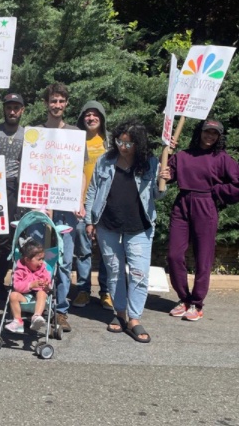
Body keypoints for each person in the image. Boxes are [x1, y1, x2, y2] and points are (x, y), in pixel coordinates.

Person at [160, 120, 239, 322]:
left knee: (203, 258)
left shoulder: (222, 158)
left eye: (214, 134)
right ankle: (184, 299)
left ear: (219, 137)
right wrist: (166, 172)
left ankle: (197, 303)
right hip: (181, 204)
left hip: (205, 206)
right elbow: (169, 172)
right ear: (199, 133)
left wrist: (218, 191)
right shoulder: (184, 155)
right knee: (174, 255)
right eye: (206, 132)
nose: (210, 136)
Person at [85, 120, 161, 343]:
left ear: (139, 144)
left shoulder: (150, 163)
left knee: (139, 273)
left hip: (140, 226)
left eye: (128, 144)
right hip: (107, 224)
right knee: (115, 271)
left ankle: (134, 319)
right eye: (119, 142)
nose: (123, 147)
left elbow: (158, 196)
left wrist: (163, 179)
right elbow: (92, 191)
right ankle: (119, 313)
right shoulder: (105, 161)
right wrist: (90, 221)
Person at [38, 82, 80, 333]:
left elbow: (79, 172)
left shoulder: (75, 134)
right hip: (42, 207)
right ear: (46, 103)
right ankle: (39, 306)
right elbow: (29, 170)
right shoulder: (36, 133)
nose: (57, 105)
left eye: (61, 101)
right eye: (53, 101)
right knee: (40, 259)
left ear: (66, 104)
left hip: (66, 209)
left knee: (64, 261)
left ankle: (61, 311)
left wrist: (79, 200)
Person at [73, 100, 111, 310]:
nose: (91, 118)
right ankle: (83, 290)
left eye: (95, 114)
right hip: (82, 202)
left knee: (107, 249)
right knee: (83, 249)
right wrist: (78, 201)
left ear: (102, 117)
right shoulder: (75, 141)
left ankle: (106, 291)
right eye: (87, 114)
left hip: (106, 204)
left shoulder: (110, 141)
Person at [0, 92, 26, 297]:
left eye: (16, 108)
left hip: (15, 190)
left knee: (9, 237)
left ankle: (1, 279)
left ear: (22, 110)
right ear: (4, 109)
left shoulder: (28, 134)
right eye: (9, 107)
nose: (12, 111)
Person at [5, 240, 51, 334]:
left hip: (38, 300)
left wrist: (46, 286)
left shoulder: (43, 270)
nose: (41, 262)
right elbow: (17, 286)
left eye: (42, 259)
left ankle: (36, 317)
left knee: (42, 293)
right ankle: (18, 321)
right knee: (13, 295)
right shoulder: (20, 270)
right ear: (27, 260)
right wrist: (30, 285)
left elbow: (48, 284)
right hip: (24, 298)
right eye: (39, 259)